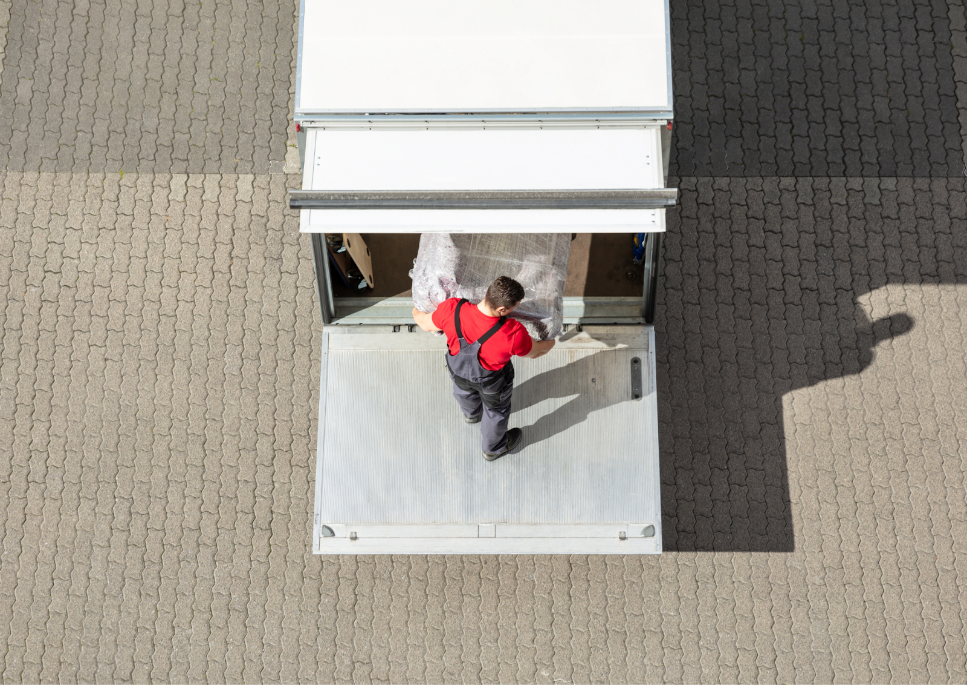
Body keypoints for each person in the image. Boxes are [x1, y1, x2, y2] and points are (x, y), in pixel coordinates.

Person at [412, 276, 556, 460]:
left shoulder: (452, 309)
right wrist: (551, 340)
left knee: (463, 392)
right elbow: (536, 352)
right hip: (492, 383)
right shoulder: (512, 333)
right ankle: (493, 448)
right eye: (515, 307)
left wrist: (416, 307)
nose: (516, 310)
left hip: (458, 372)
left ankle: (471, 415)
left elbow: (424, 322)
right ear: (502, 309)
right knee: (496, 411)